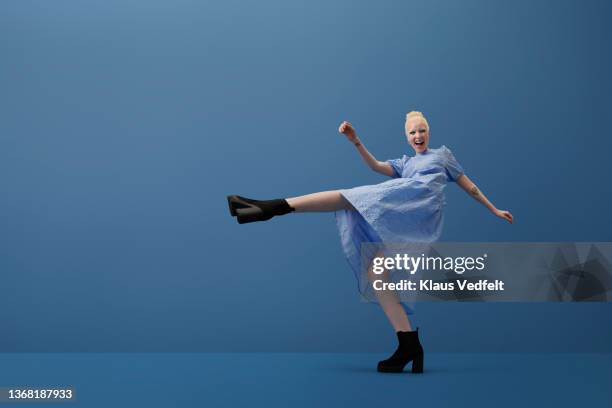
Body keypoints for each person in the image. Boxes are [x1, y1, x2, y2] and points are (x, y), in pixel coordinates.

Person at [227, 111, 513, 373]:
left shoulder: (443, 156)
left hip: (421, 215)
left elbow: (469, 185)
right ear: (406, 136)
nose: (418, 136)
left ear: (429, 131)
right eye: (413, 132)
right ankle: (408, 344)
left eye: (422, 130)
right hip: (402, 208)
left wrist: (494, 209)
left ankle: (273, 207)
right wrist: (356, 141)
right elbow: (376, 166)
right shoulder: (406, 163)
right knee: (376, 272)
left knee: (353, 196)